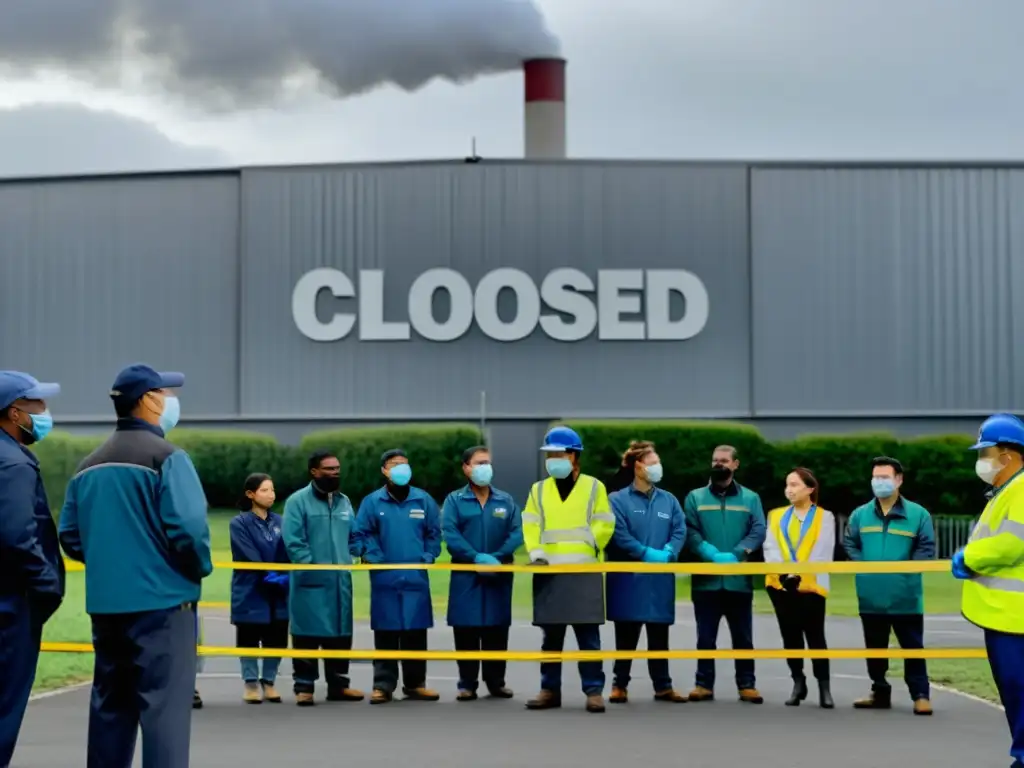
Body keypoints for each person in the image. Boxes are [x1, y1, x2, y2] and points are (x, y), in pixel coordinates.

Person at [58, 364, 212, 768]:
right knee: (165, 718)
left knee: (111, 710)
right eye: (166, 392)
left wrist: (114, 561)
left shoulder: (88, 465)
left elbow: (71, 535)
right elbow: (191, 531)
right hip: (164, 607)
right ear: (148, 400)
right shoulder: (168, 458)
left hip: (108, 609)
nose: (171, 400)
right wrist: (194, 569)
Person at [522, 425, 616, 714]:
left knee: (588, 637)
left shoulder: (594, 487)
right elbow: (531, 524)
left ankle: (593, 692)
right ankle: (549, 690)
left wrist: (589, 542)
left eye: (558, 454)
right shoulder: (538, 490)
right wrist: (536, 553)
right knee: (551, 638)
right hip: (549, 573)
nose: (552, 459)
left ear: (574, 456)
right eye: (549, 454)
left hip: (584, 572)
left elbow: (604, 522)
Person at [952, 413, 1024, 767]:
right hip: (1005, 616)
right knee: (1014, 690)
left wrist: (969, 557)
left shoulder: (1022, 489)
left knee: (1019, 688)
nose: (982, 461)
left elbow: (1012, 543)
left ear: (1008, 456)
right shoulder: (1006, 491)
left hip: (1016, 618)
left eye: (986, 453)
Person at [0, 371, 64, 768]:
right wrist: (48, 587)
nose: (44, 411)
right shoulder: (13, 465)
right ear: (14, 412)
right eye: (37, 404)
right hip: (11, 607)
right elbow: (17, 536)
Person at [843, 455, 935, 715]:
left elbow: (926, 548)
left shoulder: (918, 515)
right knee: (875, 647)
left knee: (912, 647)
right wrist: (865, 565)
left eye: (884, 477)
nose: (879, 482)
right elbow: (849, 543)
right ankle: (879, 690)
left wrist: (906, 571)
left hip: (905, 596)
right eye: (875, 477)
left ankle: (920, 695)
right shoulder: (860, 515)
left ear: (899, 480)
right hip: (870, 595)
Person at [353, 449, 442, 705]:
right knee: (386, 631)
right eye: (394, 464)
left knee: (416, 630)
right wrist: (373, 556)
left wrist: (427, 556)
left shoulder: (423, 500)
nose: (401, 468)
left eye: (404, 463)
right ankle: (383, 685)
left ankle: (415, 684)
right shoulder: (373, 502)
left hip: (415, 576)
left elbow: (434, 534)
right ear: (384, 470)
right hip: (385, 578)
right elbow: (361, 534)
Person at [683, 444, 766, 704]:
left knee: (743, 637)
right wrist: (709, 553)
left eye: (724, 460)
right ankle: (703, 684)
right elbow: (690, 530)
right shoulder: (695, 497)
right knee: (705, 637)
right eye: (715, 460)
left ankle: (747, 684)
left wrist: (739, 553)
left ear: (735, 464)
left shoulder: (750, 498)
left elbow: (758, 530)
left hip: (738, 580)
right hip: (706, 580)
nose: (719, 464)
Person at [606, 440, 687, 704]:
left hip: (660, 580)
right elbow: (619, 534)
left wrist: (669, 553)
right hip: (629, 581)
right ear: (638, 467)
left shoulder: (669, 500)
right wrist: (644, 553)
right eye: (652, 463)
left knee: (659, 637)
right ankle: (619, 685)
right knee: (626, 636)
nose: (657, 467)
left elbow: (679, 530)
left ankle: (663, 686)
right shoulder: (617, 500)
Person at [281, 450, 364, 706]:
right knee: (307, 633)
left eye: (337, 468)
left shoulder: (344, 502)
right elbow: (294, 542)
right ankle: (304, 687)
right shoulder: (297, 502)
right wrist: (312, 567)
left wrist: (359, 551)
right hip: (310, 583)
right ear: (314, 472)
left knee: (340, 633)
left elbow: (354, 534)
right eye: (329, 469)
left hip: (341, 583)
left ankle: (338, 685)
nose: (335, 473)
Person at [441, 446, 523, 701]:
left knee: (497, 628)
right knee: (466, 628)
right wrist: (475, 557)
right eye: (479, 463)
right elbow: (451, 535)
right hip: (467, 575)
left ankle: (496, 682)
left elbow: (518, 532)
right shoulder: (454, 501)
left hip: (498, 574)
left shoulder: (505, 500)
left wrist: (496, 558)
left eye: (487, 462)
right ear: (466, 468)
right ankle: (467, 683)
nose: (484, 467)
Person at [763, 468, 836, 709]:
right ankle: (798, 682)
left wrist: (799, 575)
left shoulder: (824, 517)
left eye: (795, 485)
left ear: (810, 489)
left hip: (811, 586)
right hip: (781, 586)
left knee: (816, 637)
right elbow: (771, 547)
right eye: (787, 485)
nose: (789, 490)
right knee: (790, 635)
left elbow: (822, 550)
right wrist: (785, 575)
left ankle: (824, 687)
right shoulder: (775, 516)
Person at [230, 473, 290, 704]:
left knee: (276, 636)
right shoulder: (239, 523)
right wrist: (266, 572)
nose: (271, 495)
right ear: (250, 494)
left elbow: (288, 550)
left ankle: (269, 682)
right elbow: (247, 552)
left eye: (273, 490)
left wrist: (284, 575)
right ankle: (251, 683)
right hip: (250, 589)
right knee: (249, 635)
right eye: (265, 490)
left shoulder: (281, 522)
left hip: (278, 590)